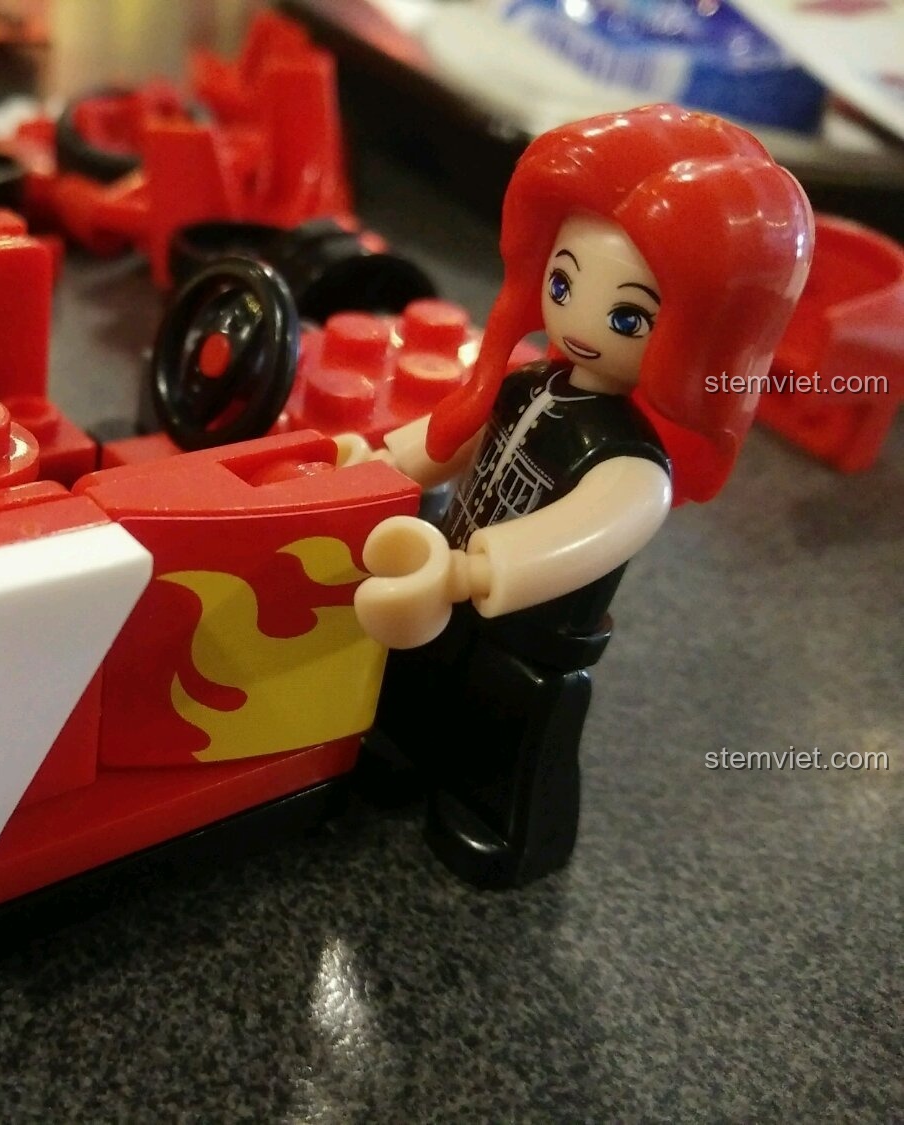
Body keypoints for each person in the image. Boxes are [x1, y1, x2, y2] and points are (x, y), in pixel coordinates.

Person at [343, 104, 814, 887]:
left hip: (531, 633)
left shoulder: (633, 463)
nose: (582, 319)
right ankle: (404, 754)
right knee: (420, 682)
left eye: (629, 314)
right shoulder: (528, 381)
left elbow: (588, 531)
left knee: (511, 733)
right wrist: (376, 463)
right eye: (563, 281)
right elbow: (452, 433)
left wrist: (471, 570)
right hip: (450, 588)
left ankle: (500, 824)